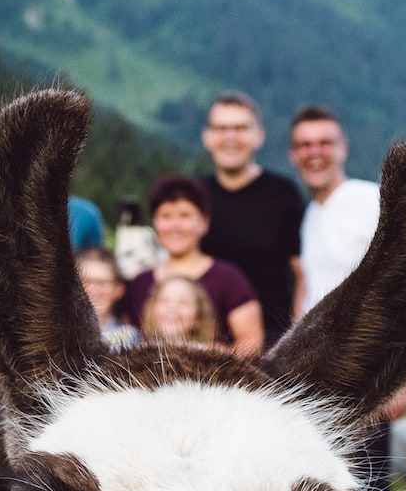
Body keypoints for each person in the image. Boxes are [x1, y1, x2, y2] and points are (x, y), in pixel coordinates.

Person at [289, 105, 405, 491]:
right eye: (304, 144)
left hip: (368, 379)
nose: (314, 152)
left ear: (342, 146)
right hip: (321, 383)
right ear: (293, 154)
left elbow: (400, 284)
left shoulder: (366, 201)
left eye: (324, 142)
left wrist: (402, 375)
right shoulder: (313, 214)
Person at [200, 92, 305, 345]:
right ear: (208, 137)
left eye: (240, 128)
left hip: (272, 341)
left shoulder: (283, 193)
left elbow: (300, 272)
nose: (230, 137)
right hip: (204, 340)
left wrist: (297, 337)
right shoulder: (195, 196)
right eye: (221, 128)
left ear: (259, 136)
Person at [122, 175, 264, 358]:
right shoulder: (140, 282)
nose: (175, 225)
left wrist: (208, 358)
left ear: (204, 223)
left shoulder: (228, 277)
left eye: (185, 215)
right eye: (165, 216)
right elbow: (129, 340)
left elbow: (252, 343)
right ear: (155, 223)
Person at [76, 247, 140, 350]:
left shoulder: (130, 338)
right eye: (86, 281)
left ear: (119, 289)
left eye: (102, 283)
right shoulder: (55, 334)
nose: (93, 290)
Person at [141, 275, 218, 347]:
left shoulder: (208, 358)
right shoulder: (136, 354)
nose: (172, 307)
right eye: (164, 300)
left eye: (183, 302)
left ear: (198, 317)